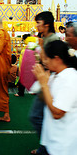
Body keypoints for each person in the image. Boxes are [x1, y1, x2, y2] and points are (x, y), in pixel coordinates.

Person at [33, 40, 77, 155]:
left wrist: (44, 84)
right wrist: (42, 82)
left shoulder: (70, 78)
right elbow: (47, 99)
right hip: (49, 140)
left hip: (63, 146)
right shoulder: (55, 75)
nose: (45, 62)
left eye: (47, 58)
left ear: (57, 59)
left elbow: (57, 113)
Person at [29, 11, 59, 155]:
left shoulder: (53, 40)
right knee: (42, 116)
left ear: (46, 24)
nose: (37, 26)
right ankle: (46, 147)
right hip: (45, 81)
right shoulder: (45, 39)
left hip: (50, 82)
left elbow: (53, 63)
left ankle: (47, 147)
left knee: (36, 116)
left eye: (39, 23)